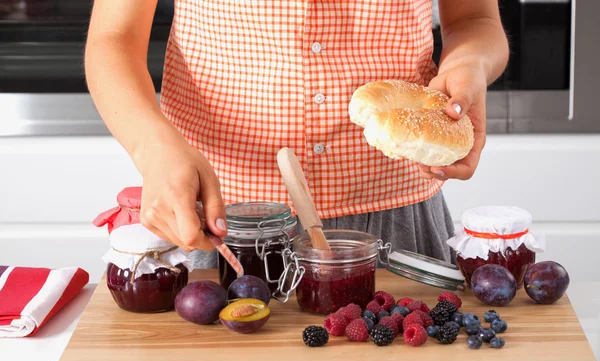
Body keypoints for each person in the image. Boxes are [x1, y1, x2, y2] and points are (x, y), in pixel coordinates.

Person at [85, 1, 509, 268]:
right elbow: (113, 37)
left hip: (393, 210)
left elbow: (474, 19)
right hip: (222, 219)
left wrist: (468, 62)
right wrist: (152, 148)